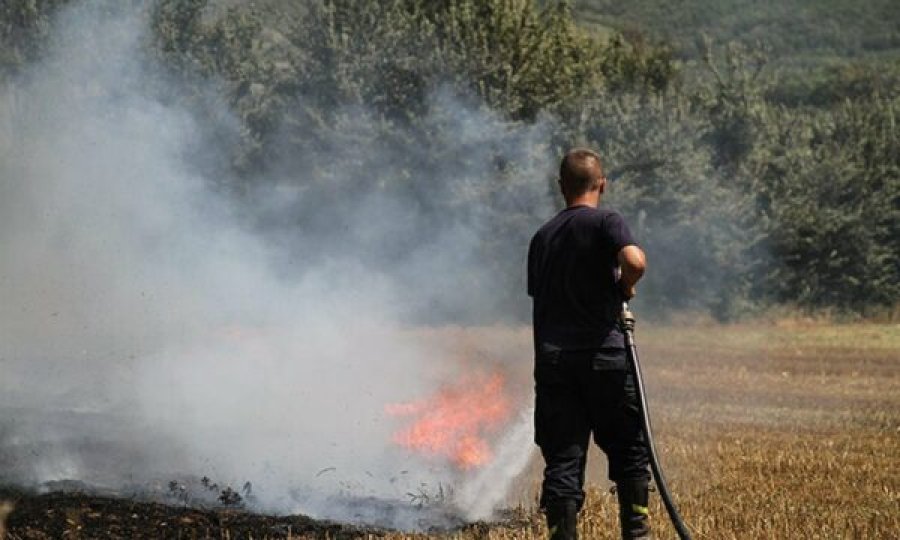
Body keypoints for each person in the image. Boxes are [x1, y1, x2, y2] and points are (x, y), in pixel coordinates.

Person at [527, 148, 650, 540]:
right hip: (605, 359)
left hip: (556, 363)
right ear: (603, 184)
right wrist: (625, 286)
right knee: (630, 454)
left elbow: (541, 301)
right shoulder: (606, 221)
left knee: (562, 463)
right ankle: (637, 533)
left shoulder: (542, 237)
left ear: (561, 187)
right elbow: (635, 260)